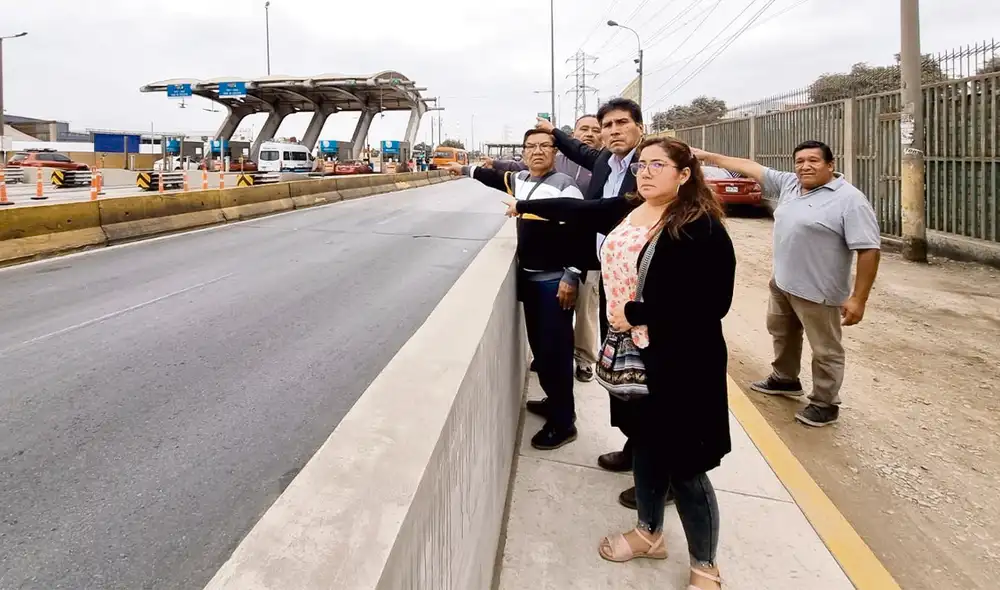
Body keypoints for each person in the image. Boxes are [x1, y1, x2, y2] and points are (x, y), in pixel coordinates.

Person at [506, 136, 735, 590]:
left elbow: (713, 302)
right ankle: (649, 534)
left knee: (687, 466)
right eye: (641, 166)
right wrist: (524, 206)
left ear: (684, 175)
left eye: (657, 165)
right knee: (646, 444)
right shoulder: (631, 209)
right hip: (632, 355)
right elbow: (578, 212)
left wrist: (636, 314)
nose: (645, 172)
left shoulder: (699, 227)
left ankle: (705, 565)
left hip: (681, 362)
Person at [692, 141, 881, 427]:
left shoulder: (850, 200)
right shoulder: (791, 185)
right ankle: (785, 378)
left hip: (820, 290)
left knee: (825, 348)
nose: (805, 166)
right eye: (800, 161)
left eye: (814, 161)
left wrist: (859, 298)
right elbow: (750, 167)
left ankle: (825, 402)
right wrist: (707, 157)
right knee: (782, 332)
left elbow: (869, 250)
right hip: (783, 283)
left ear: (831, 165)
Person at [536, 97, 654, 509]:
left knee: (650, 378)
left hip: (645, 284)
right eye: (607, 125)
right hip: (611, 279)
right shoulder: (606, 161)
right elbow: (579, 150)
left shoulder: (649, 166)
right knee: (623, 372)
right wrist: (552, 133)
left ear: (640, 126)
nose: (613, 130)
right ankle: (634, 449)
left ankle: (661, 477)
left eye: (623, 123)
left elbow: (596, 211)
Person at [442, 129, 585, 450]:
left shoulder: (566, 186)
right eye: (531, 147)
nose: (537, 152)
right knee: (542, 351)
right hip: (531, 281)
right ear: (523, 152)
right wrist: (462, 169)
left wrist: (572, 275)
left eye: (544, 146)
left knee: (556, 353)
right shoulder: (521, 179)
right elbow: (492, 176)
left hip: (554, 283)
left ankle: (564, 422)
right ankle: (553, 402)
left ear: (555, 152)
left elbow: (581, 231)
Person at [488, 114, 603, 382]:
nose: (589, 134)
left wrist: (572, 272)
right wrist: (487, 165)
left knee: (584, 311)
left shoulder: (602, 164)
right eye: (583, 129)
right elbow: (521, 166)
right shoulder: (560, 157)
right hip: (551, 258)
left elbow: (582, 223)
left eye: (595, 129)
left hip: (584, 250)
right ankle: (551, 369)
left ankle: (583, 360)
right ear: (571, 135)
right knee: (551, 332)